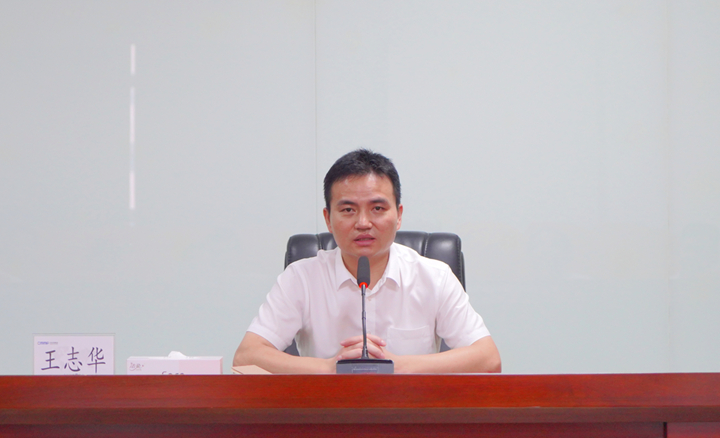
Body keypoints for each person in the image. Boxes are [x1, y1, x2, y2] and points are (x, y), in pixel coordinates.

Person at [233, 149, 501, 373]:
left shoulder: (434, 276)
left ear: (399, 215)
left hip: (410, 412)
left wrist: (397, 366)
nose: (363, 223)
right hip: (328, 412)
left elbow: (488, 359)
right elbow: (247, 356)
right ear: (328, 219)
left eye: (378, 208)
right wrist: (329, 368)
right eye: (348, 209)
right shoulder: (301, 277)